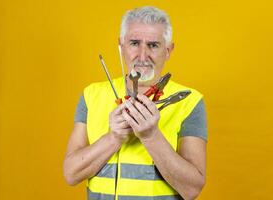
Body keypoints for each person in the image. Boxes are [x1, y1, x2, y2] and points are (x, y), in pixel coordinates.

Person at [63, 6, 208, 200]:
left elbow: (192, 189)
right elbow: (71, 174)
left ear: (168, 50)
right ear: (121, 45)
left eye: (153, 45)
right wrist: (114, 138)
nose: (142, 55)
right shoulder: (92, 95)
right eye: (134, 43)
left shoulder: (190, 102)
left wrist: (151, 136)